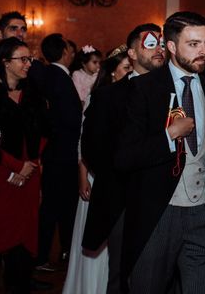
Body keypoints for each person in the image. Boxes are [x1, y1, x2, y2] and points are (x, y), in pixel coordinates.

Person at [115, 12, 205, 293]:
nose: (204, 51)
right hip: (158, 215)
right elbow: (123, 157)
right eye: (193, 44)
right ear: (170, 47)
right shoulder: (142, 89)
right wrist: (169, 135)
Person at [81, 25, 166, 294]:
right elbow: (92, 148)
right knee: (122, 274)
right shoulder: (108, 96)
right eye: (149, 44)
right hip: (124, 198)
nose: (158, 49)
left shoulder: (178, 91)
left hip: (170, 199)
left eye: (161, 43)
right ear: (131, 53)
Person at [62, 46, 133, 294]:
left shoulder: (136, 96)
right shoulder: (100, 97)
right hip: (95, 176)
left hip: (120, 178)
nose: (131, 73)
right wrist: (83, 177)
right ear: (113, 73)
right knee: (98, 232)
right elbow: (85, 141)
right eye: (126, 68)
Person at [0, 38, 48, 293]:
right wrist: (15, 167)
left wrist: (31, 164)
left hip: (29, 178)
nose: (28, 64)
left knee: (22, 256)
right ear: (5, 63)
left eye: (30, 59)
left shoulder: (33, 92)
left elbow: (44, 132)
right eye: (22, 59)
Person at [36, 33, 83, 271]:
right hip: (61, 154)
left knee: (61, 206)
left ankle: (60, 251)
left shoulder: (51, 75)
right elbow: (68, 118)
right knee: (55, 207)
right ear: (64, 52)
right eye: (70, 49)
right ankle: (43, 256)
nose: (72, 54)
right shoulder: (58, 77)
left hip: (57, 152)